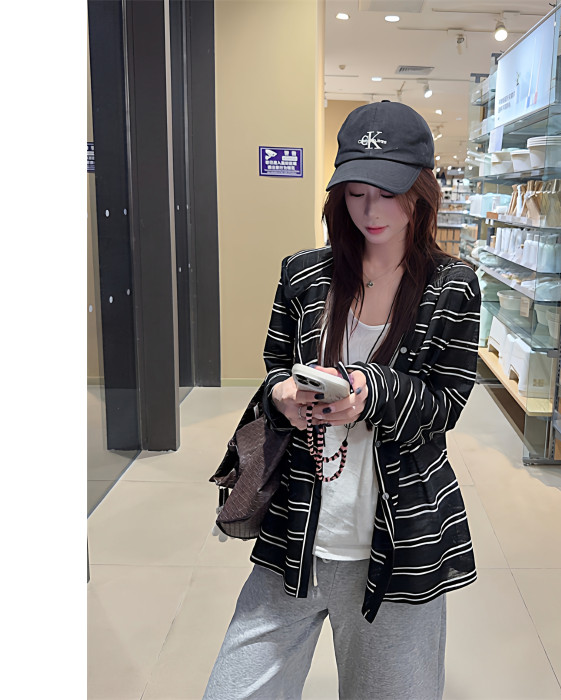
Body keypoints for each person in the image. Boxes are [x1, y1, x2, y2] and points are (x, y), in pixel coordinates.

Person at [204, 100, 481, 700]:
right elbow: (275, 369)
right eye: (356, 193)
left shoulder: (452, 286)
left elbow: (446, 403)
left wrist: (371, 390)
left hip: (397, 540)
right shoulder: (303, 274)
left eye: (388, 192)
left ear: (420, 191)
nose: (370, 210)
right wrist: (281, 393)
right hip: (297, 526)